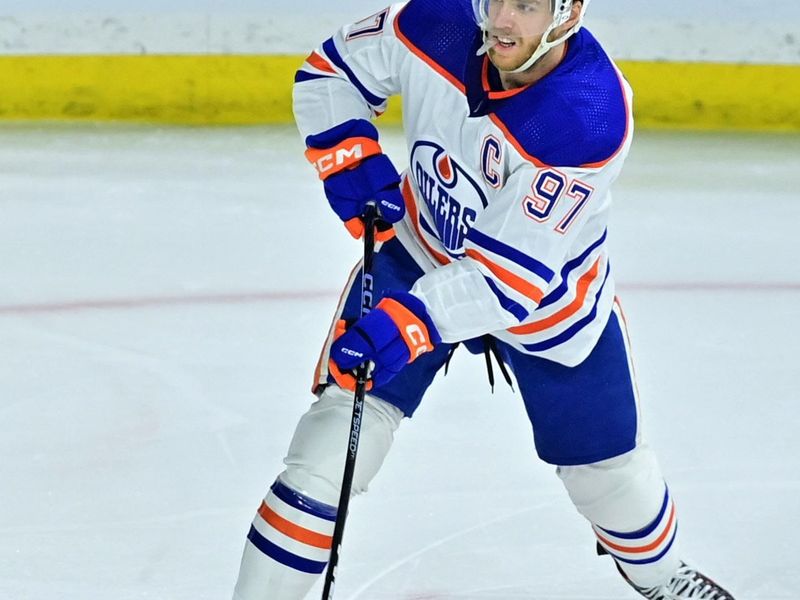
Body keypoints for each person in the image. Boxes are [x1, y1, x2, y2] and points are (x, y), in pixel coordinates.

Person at [233, 1, 736, 598]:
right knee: (325, 452)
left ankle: (661, 579)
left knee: (612, 482)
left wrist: (414, 322)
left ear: (567, 11)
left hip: (548, 305)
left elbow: (507, 282)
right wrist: (346, 151)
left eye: (525, 5)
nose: (501, 18)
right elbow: (331, 73)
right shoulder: (434, 20)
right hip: (419, 254)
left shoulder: (586, 113)